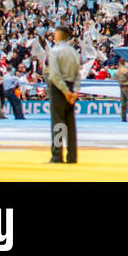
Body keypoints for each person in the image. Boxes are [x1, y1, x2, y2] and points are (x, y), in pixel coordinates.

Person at [46, 25, 81, 164]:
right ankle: (72, 156)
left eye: (55, 33)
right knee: (70, 124)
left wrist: (65, 91)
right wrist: (74, 92)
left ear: (59, 35)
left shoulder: (55, 51)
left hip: (59, 89)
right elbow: (78, 74)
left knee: (58, 123)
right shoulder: (74, 52)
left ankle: (57, 155)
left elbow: (55, 74)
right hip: (72, 87)